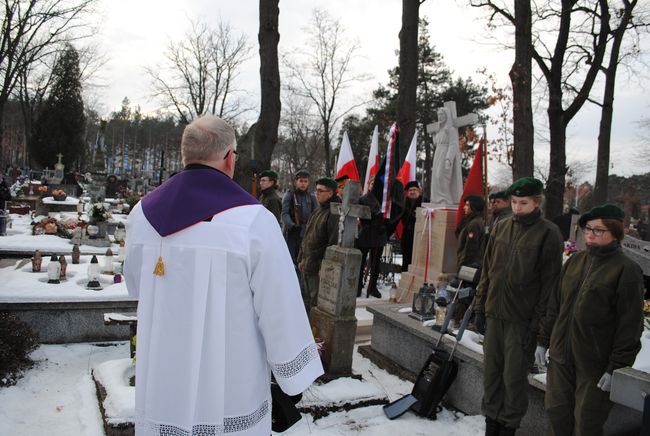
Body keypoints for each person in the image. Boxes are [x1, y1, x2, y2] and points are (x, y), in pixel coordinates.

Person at [124, 115, 323, 436]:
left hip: (164, 381)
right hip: (229, 384)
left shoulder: (142, 214)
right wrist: (294, 372)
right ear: (230, 158)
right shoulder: (252, 221)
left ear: (185, 154)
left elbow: (135, 288)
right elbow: (279, 306)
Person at [536, 204, 644, 436]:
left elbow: (630, 325)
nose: (590, 235)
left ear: (615, 233)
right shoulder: (575, 262)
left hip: (594, 363)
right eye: (587, 229)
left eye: (598, 230)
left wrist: (616, 367)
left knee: (586, 423)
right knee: (556, 414)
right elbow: (556, 305)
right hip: (561, 358)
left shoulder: (626, 270)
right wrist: (543, 340)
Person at [474, 177, 564, 436]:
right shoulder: (501, 227)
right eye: (513, 202)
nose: (516, 208)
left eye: (523, 203)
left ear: (537, 202)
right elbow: (488, 272)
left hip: (521, 320)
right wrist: (480, 308)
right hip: (494, 315)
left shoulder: (548, 233)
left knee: (513, 380)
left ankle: (508, 427)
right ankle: (491, 425)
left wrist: (539, 330)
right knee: (491, 375)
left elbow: (549, 287)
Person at [297, 177, 340, 315]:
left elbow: (332, 243)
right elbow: (307, 237)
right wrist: (301, 258)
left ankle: (313, 333)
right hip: (307, 263)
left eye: (321, 191)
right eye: (317, 190)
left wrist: (324, 267)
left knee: (315, 303)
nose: (317, 193)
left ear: (331, 193)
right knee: (305, 300)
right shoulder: (317, 210)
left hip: (317, 267)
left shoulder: (333, 213)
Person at [357, 177, 387, 298]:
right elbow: (362, 216)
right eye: (372, 183)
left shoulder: (384, 200)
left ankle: (372, 287)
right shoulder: (363, 199)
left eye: (376, 183)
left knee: (376, 264)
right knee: (361, 262)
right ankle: (358, 286)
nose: (374, 185)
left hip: (379, 234)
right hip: (366, 233)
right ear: (368, 184)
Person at [282, 170, 317, 265]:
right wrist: (291, 225)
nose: (303, 184)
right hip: (292, 232)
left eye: (305, 181)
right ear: (296, 182)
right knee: (290, 259)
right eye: (301, 181)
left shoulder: (312, 197)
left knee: (303, 259)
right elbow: (285, 213)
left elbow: (315, 215)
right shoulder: (289, 195)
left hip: (306, 232)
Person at [455, 194, 486, 270]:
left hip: (469, 265)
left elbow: (470, 248)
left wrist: (462, 265)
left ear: (474, 207)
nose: (464, 207)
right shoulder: (471, 221)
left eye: (467, 205)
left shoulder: (474, 224)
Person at [399, 181, 423, 272]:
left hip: (420, 235)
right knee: (406, 258)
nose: (412, 192)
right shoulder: (403, 202)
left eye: (414, 189)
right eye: (410, 190)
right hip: (407, 235)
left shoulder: (424, 202)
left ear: (419, 191)